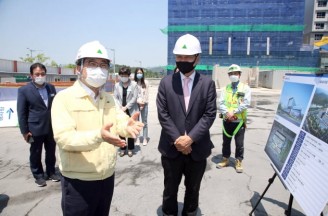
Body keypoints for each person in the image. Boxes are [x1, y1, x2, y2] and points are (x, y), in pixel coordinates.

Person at [51, 41, 143, 216]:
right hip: (79, 181)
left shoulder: (108, 98)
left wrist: (127, 126)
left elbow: (119, 120)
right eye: (92, 64)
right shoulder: (64, 99)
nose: (98, 70)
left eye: (103, 65)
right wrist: (98, 135)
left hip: (107, 176)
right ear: (78, 68)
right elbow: (65, 138)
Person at [156, 34, 217, 216]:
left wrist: (190, 139)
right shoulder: (166, 83)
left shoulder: (207, 84)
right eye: (179, 57)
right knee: (170, 190)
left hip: (196, 149)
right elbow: (163, 114)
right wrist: (178, 140)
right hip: (171, 148)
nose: (182, 60)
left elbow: (209, 114)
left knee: (193, 190)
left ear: (197, 58)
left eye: (187, 57)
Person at [17, 62, 60, 187]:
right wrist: (25, 131)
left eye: (42, 74)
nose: (40, 76)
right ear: (31, 75)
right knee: (35, 152)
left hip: (51, 127)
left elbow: (55, 107)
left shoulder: (51, 88)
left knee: (51, 151)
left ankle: (51, 172)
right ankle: (38, 175)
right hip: (34, 128)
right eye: (37, 74)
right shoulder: (24, 90)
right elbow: (21, 112)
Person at [216, 64, 251, 173]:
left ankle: (238, 161)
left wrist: (233, 112)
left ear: (239, 74)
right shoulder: (226, 88)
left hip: (239, 121)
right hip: (227, 120)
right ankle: (225, 159)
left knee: (239, 143)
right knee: (226, 142)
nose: (233, 75)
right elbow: (221, 102)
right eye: (231, 74)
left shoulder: (245, 88)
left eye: (235, 73)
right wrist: (227, 112)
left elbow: (246, 103)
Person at [114, 66, 139, 157]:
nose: (123, 77)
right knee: (122, 129)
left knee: (130, 129)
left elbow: (134, 97)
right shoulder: (117, 85)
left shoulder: (134, 84)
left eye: (125, 75)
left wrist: (126, 107)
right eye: (121, 75)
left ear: (128, 75)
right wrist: (120, 107)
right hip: (121, 110)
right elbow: (115, 97)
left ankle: (131, 148)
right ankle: (123, 148)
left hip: (131, 110)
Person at [134, 67, 149, 146]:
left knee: (144, 122)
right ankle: (137, 138)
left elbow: (146, 94)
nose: (139, 74)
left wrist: (143, 103)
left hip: (144, 104)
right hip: (136, 105)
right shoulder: (133, 83)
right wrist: (137, 102)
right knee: (136, 122)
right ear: (135, 74)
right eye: (138, 73)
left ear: (143, 74)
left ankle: (145, 138)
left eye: (140, 73)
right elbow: (133, 95)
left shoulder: (146, 82)